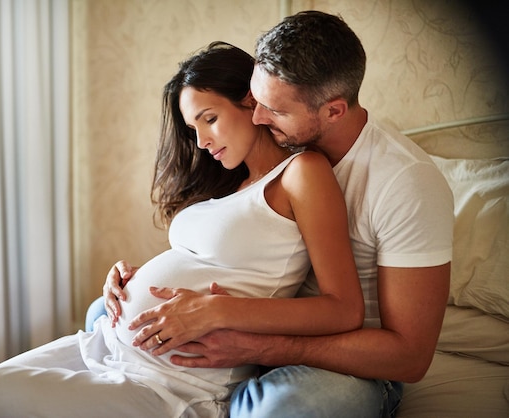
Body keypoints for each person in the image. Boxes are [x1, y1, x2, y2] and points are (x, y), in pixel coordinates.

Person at [0, 41, 363, 418]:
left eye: (209, 119)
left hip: (170, 386)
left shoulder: (301, 173)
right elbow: (201, 263)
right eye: (193, 128)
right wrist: (128, 278)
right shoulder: (230, 185)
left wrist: (217, 311)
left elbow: (343, 309)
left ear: (250, 102)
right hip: (104, 345)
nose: (201, 141)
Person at [99, 11, 454, 418]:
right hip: (254, 333)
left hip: (345, 361)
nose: (257, 117)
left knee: (288, 406)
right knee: (101, 313)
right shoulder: (270, 165)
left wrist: (256, 346)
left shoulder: (405, 183)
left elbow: (409, 358)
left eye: (275, 110)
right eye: (256, 99)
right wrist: (143, 279)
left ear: (333, 111)